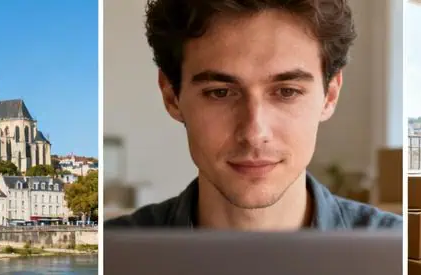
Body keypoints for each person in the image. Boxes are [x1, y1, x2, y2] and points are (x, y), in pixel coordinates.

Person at [105, 0, 401, 230]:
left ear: (330, 95)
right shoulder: (114, 257)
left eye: (287, 91)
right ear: (171, 96)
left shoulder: (398, 255)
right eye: (220, 92)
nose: (254, 132)